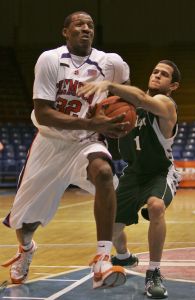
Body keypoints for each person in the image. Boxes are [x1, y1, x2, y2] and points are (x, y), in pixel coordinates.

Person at [2, 11, 131, 288]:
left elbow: (127, 96)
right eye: (79, 24)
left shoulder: (111, 63)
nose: (86, 28)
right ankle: (26, 249)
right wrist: (90, 120)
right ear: (65, 31)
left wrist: (123, 118)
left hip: (86, 141)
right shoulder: (50, 59)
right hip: (51, 143)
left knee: (105, 173)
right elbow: (44, 113)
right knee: (24, 224)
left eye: (90, 25)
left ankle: (103, 258)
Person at [78, 59, 181, 298]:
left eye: (163, 74)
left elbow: (144, 100)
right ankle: (124, 255)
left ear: (172, 85)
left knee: (156, 206)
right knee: (111, 229)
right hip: (132, 173)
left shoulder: (166, 104)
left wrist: (108, 85)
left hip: (159, 172)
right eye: (154, 71)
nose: (156, 75)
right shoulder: (126, 106)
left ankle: (154, 272)